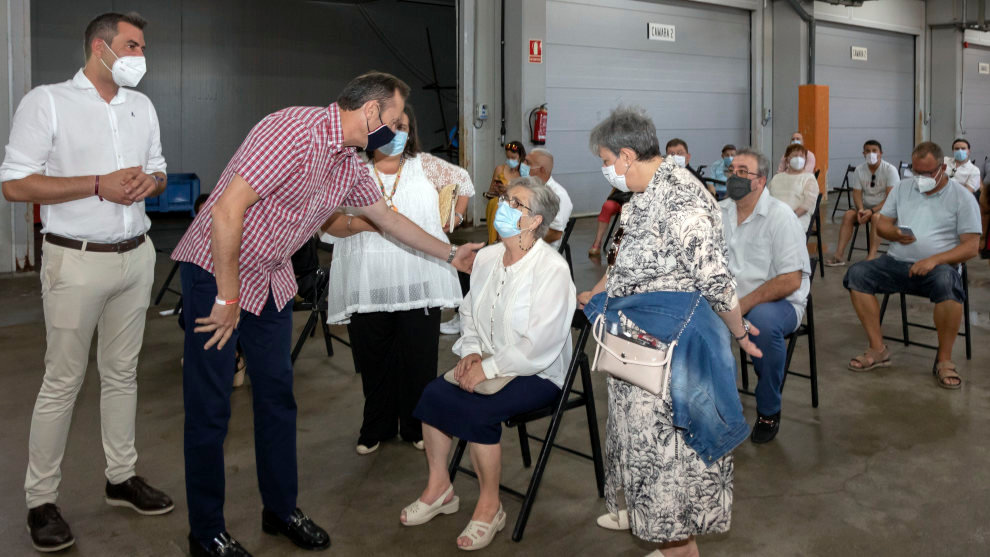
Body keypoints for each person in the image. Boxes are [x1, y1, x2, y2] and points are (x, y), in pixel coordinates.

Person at [170, 71, 481, 557]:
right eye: (396, 119)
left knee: (277, 399)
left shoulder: (350, 164)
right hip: (218, 272)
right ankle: (205, 531)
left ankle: (280, 509)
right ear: (372, 113)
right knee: (211, 408)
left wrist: (450, 255)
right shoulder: (293, 131)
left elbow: (388, 219)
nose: (400, 129)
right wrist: (227, 299)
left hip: (270, 278)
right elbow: (225, 209)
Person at [0, 12, 173, 553]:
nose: (140, 55)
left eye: (143, 46)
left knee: (122, 374)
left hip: (136, 257)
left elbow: (161, 169)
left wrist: (153, 181)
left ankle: (121, 477)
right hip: (76, 261)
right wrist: (98, 185)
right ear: (100, 47)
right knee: (62, 382)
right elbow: (15, 184)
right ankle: (41, 501)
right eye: (131, 45)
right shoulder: (48, 102)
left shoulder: (141, 106)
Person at [577, 107, 759, 557]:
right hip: (636, 346)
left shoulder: (681, 195)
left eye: (605, 159)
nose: (606, 170)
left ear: (625, 155)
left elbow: (714, 277)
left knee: (669, 467)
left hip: (668, 354)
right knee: (645, 458)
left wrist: (739, 331)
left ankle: (678, 545)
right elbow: (628, 262)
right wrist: (598, 292)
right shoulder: (641, 195)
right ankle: (663, 536)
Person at [402, 177, 574, 551]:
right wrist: (472, 353)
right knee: (434, 394)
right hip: (488, 361)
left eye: (517, 203)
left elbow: (540, 343)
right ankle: (440, 488)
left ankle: (490, 506)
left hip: (537, 371)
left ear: (534, 221)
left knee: (480, 410)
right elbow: (470, 314)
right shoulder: (489, 257)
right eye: (505, 198)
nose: (504, 206)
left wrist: (490, 369)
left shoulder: (552, 269)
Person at [321, 103, 474, 456]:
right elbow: (328, 222)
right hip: (367, 281)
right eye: (391, 126)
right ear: (372, 131)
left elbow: (463, 182)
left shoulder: (426, 167)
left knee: (418, 360)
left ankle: (415, 424)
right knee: (373, 359)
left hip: (418, 279)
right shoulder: (350, 170)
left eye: (404, 126)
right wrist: (367, 222)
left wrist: (456, 214)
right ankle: (376, 425)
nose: (397, 133)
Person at [843, 142, 981, 390]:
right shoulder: (903, 189)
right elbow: (882, 224)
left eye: (927, 173)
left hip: (939, 268)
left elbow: (971, 247)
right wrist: (894, 234)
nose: (921, 178)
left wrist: (934, 260)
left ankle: (945, 360)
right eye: (916, 171)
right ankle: (878, 349)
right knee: (858, 274)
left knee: (948, 283)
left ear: (942, 168)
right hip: (898, 262)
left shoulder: (962, 197)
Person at [720, 149, 811, 443]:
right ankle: (713, 406)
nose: (734, 176)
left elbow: (790, 279)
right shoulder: (718, 212)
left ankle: (769, 408)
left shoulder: (780, 216)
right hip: (729, 299)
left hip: (777, 301)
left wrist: (743, 304)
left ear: (760, 181)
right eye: (731, 170)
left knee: (761, 325)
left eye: (742, 171)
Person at [824, 140, 899, 266]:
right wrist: (860, 209)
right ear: (863, 153)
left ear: (881, 153)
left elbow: (890, 197)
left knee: (876, 218)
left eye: (874, 151)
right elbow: (857, 193)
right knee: (848, 215)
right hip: (865, 207)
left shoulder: (890, 170)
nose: (871, 154)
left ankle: (872, 256)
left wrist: (872, 211)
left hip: (885, 208)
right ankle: (839, 255)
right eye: (868, 151)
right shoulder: (859, 169)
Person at [524, 147, 573, 248]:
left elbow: (555, 234)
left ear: (541, 169)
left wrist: (524, 238)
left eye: (528, 163)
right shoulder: (530, 189)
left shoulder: (557, 195)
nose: (523, 166)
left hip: (542, 250)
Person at [768, 143, 820, 231]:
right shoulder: (777, 178)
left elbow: (807, 205)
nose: (799, 158)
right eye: (795, 155)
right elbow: (767, 199)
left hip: (796, 219)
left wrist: (789, 217)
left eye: (802, 156)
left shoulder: (809, 178)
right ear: (787, 159)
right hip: (774, 219)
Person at [483, 141, 526, 245]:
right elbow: (490, 193)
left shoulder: (524, 173)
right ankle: (495, 242)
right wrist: (497, 189)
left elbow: (526, 195)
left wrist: (509, 190)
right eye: (508, 158)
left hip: (516, 205)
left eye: (513, 158)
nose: (510, 161)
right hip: (498, 201)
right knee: (496, 204)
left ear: (520, 157)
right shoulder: (499, 170)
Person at [588, 187, 630, 256]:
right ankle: (597, 243)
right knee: (607, 206)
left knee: (627, 210)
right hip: (620, 195)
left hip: (636, 196)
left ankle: (626, 244)